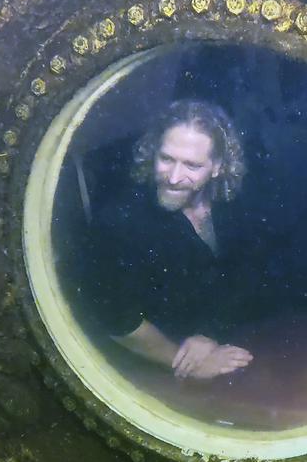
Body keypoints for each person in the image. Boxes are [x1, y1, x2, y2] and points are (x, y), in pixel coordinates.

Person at [82, 99, 257, 380]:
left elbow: (244, 274)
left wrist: (208, 334)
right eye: (166, 159)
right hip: (145, 370)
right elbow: (117, 321)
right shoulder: (119, 222)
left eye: (192, 165)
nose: (174, 178)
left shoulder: (232, 206)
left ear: (217, 168)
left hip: (221, 341)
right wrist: (185, 362)